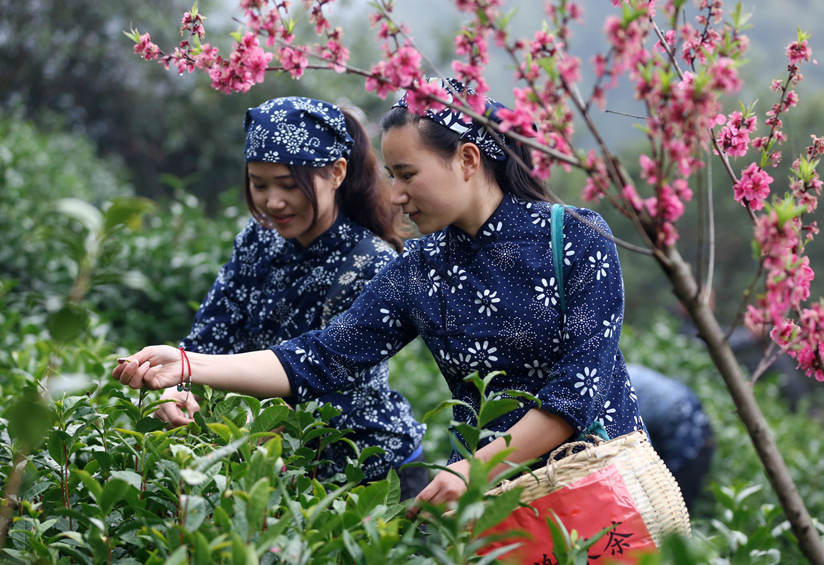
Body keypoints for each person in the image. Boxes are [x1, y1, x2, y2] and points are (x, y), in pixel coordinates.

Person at [114, 79, 644, 508]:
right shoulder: (421, 267)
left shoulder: (574, 233)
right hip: (493, 502)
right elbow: (319, 358)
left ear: (466, 159)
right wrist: (186, 365)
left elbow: (579, 388)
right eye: (390, 175)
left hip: (592, 486)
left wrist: (471, 472)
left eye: (408, 174)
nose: (395, 195)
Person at [148, 96, 427, 498]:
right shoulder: (257, 241)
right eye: (259, 184)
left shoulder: (371, 263)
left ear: (336, 173)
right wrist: (179, 385)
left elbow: (330, 388)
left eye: (288, 185)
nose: (272, 202)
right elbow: (212, 335)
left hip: (369, 473)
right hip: (271, 461)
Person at [627, 364, 714, 509]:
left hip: (684, 425)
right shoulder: (621, 371)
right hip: (683, 416)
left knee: (672, 503)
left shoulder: (616, 384)